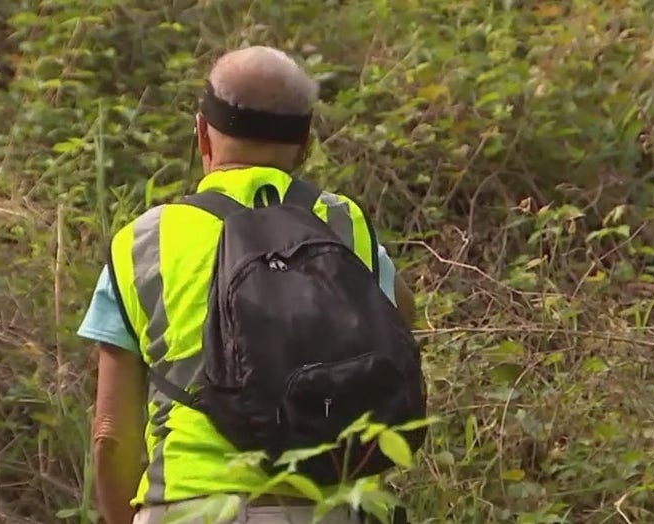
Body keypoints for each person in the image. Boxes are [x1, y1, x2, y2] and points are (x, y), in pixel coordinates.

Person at [76, 45, 418, 524]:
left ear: (202, 134)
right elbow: (399, 326)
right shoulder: (344, 224)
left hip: (193, 508)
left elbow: (111, 433)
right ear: (307, 145)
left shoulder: (144, 242)